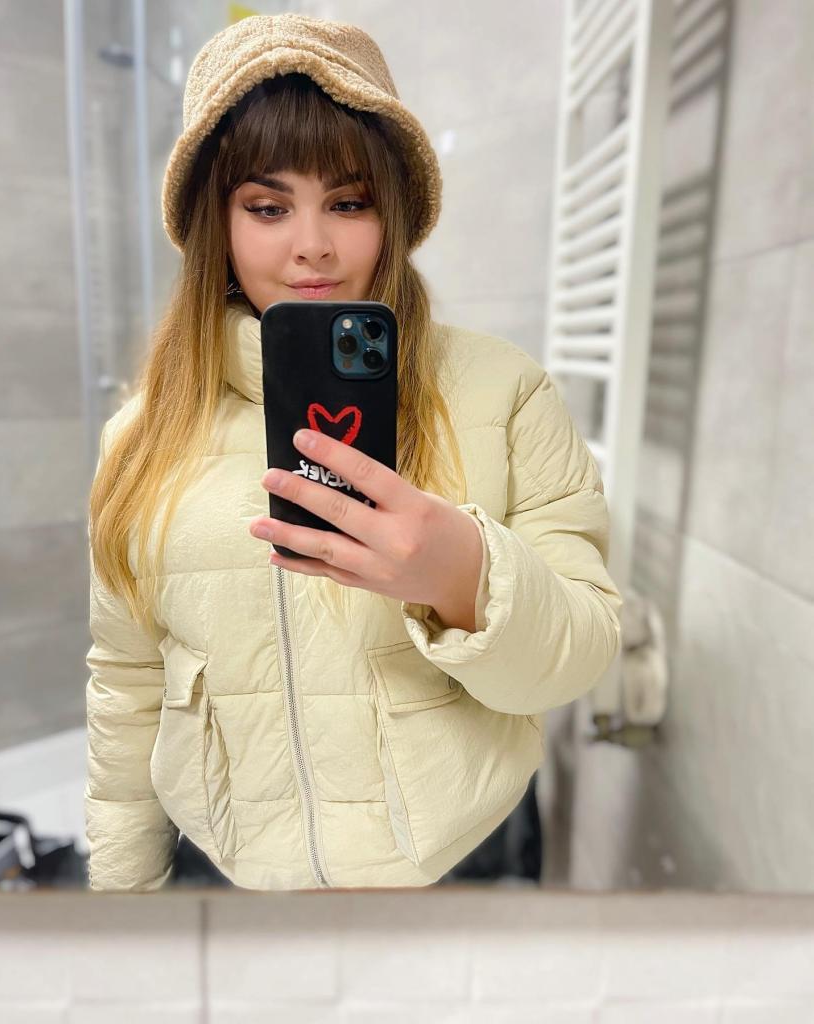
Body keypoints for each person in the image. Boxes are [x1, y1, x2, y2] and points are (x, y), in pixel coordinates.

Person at [84, 13, 623, 893]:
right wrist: (121, 909)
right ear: (215, 223)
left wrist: (465, 577)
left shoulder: (504, 391)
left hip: (457, 864)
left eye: (348, 202)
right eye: (267, 207)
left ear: (392, 213)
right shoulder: (141, 439)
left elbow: (584, 651)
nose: (313, 246)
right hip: (232, 870)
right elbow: (126, 681)